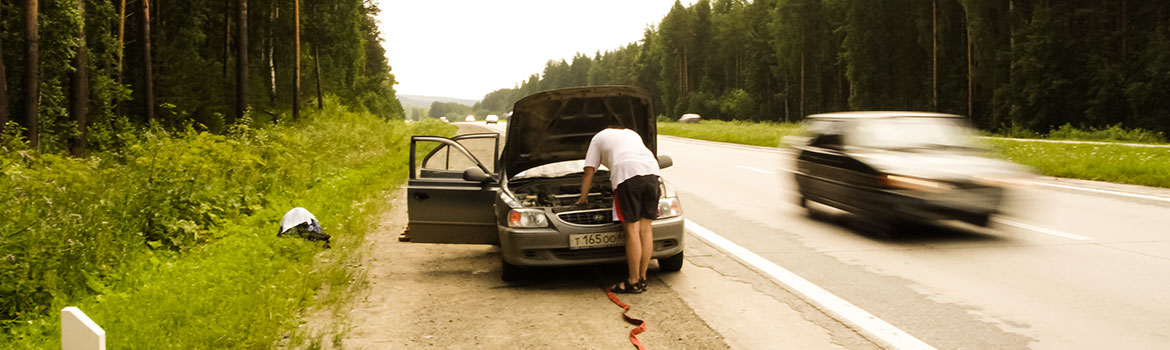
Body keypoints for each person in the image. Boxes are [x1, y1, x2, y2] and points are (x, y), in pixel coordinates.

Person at [575, 124, 661, 294]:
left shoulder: (598, 137)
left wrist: (583, 198)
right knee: (646, 229)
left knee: (632, 230)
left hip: (627, 175)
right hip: (652, 173)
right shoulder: (632, 134)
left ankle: (632, 281)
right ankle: (642, 278)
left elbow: (589, 171)